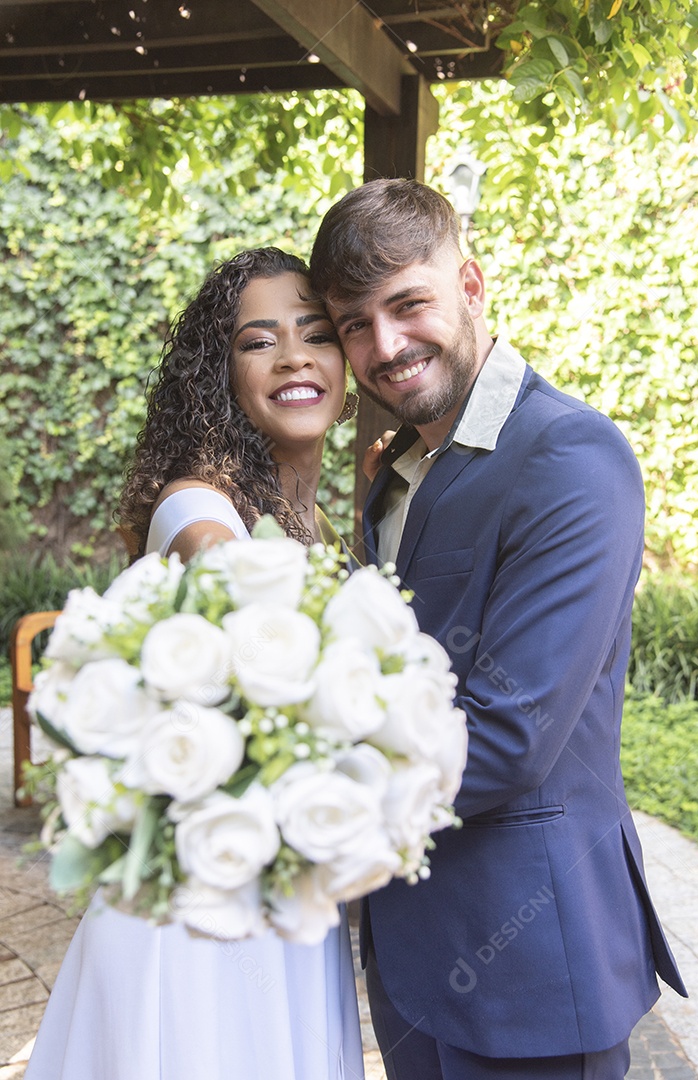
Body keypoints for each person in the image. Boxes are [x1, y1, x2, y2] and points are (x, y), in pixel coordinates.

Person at [309, 179, 687, 1080]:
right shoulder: (398, 467)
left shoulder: (569, 456)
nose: (385, 346)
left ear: (471, 286)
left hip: (531, 967)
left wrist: (297, 803)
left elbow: (510, 733)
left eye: (409, 305)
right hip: (412, 957)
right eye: (354, 323)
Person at [25, 248, 364, 1080]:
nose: (293, 356)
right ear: (220, 374)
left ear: (345, 363)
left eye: (315, 333)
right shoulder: (200, 507)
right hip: (199, 918)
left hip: (281, 894)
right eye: (258, 341)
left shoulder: (316, 521)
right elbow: (236, 594)